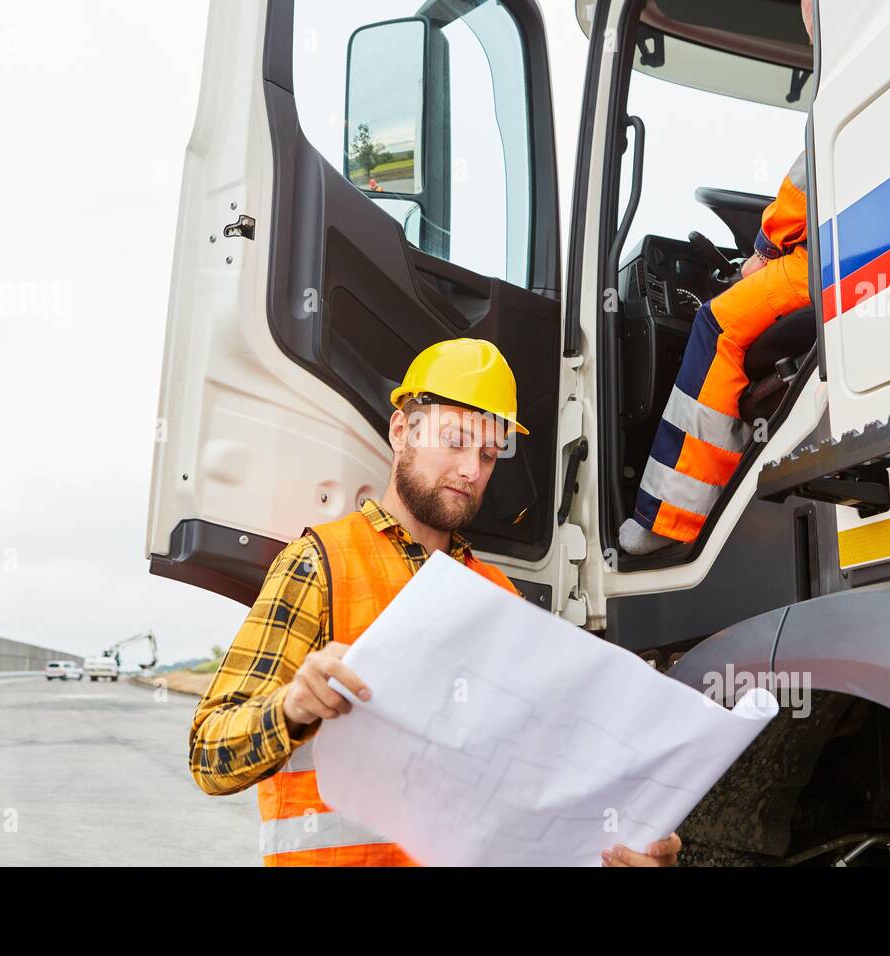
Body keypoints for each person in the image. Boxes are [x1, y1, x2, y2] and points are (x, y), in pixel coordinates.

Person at [189, 337, 683, 867]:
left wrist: (622, 841)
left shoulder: (499, 598)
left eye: (489, 454)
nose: (473, 470)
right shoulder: (318, 564)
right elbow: (209, 756)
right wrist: (290, 709)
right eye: (456, 440)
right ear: (401, 431)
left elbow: (536, 784)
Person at [620, 0, 815, 555]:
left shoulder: (850, 69)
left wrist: (762, 250)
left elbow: (804, 185)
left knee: (715, 324)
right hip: (859, 253)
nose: (806, 12)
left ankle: (666, 516)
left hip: (826, 266)